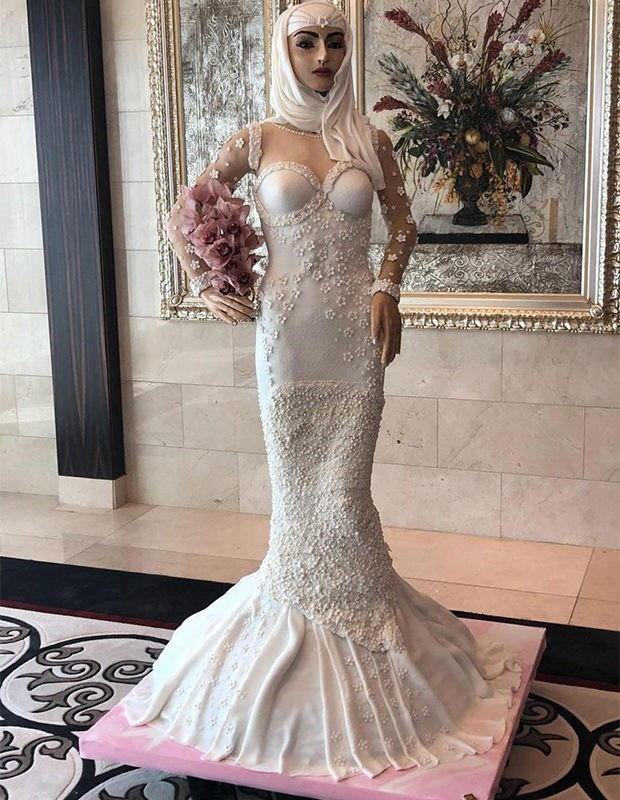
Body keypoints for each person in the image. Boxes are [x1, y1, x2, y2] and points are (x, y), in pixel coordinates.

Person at [122, 0, 521, 780]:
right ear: (285, 50)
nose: (323, 55)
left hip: (353, 342)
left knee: (345, 494)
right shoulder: (256, 140)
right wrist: (209, 281)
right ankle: (294, 653)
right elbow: (182, 213)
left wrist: (387, 287)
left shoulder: (367, 140)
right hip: (286, 340)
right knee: (301, 497)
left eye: (335, 41)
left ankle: (374, 647)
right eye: (306, 42)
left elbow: (402, 225)